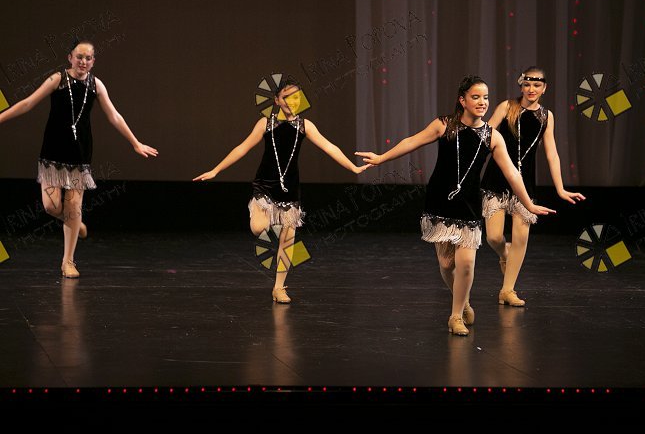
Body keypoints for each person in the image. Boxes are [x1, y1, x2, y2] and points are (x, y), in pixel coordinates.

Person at [356, 76, 555, 336]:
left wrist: (528, 204)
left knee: (467, 263)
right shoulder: (445, 125)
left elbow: (512, 174)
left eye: (485, 97)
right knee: (447, 264)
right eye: (476, 97)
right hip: (440, 201)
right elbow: (412, 141)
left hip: (468, 205)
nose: (482, 102)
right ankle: (464, 301)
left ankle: (456, 315)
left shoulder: (492, 137)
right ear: (462, 100)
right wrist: (381, 158)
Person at [194, 78, 370, 303]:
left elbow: (329, 147)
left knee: (288, 241)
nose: (291, 101)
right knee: (259, 228)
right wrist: (216, 170)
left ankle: (279, 288)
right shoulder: (266, 123)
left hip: (289, 189)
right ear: (277, 100)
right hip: (265, 186)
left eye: (295, 96)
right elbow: (242, 148)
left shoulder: (305, 126)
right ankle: (265, 219)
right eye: (285, 97)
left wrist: (353, 167)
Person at [0, 40, 159, 278]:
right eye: (79, 57)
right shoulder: (57, 79)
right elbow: (28, 103)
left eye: (88, 58)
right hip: (53, 151)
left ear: (93, 61)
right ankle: (75, 222)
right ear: (70, 58)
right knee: (51, 206)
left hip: (80, 152)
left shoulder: (96, 85)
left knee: (73, 206)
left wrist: (135, 142)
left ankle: (68, 261)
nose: (83, 62)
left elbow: (114, 116)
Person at [481, 67, 585, 307]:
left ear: (544, 88)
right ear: (521, 85)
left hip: (525, 184)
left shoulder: (546, 116)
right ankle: (504, 254)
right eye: (527, 84)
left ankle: (507, 290)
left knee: (521, 237)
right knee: (494, 237)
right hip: (497, 180)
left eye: (537, 85)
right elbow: (484, 137)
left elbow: (552, 154)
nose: (531, 89)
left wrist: (560, 189)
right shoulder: (507, 107)